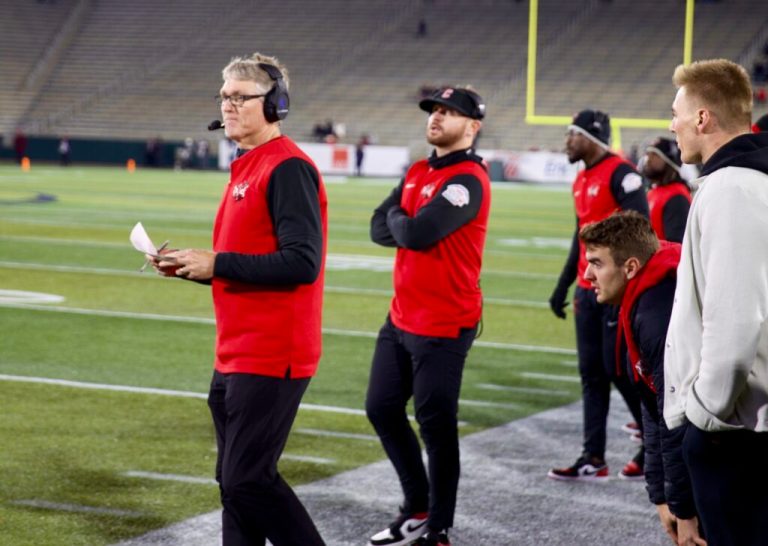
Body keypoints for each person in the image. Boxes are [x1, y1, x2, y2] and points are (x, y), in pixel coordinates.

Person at [151, 52, 327, 546]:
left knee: (247, 479)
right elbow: (245, 261)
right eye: (224, 96)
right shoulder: (247, 167)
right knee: (233, 483)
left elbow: (301, 262)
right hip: (236, 351)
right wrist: (193, 266)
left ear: (275, 106)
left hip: (273, 352)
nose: (228, 105)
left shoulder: (288, 168)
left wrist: (219, 264)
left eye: (240, 97)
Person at [366, 86, 490, 546]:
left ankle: (438, 527)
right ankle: (416, 506)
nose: (436, 118)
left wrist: (402, 217)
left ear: (472, 126)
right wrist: (404, 220)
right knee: (380, 408)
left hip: (443, 323)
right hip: (400, 319)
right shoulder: (419, 169)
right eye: (434, 110)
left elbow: (415, 233)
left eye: (449, 112)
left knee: (436, 426)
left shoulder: (468, 179)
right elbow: (378, 225)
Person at [664, 58, 768, 546]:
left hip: (736, 430)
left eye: (676, 112)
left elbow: (733, 325)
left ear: (702, 119)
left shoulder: (730, 188)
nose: (672, 124)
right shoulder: (742, 181)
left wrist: (703, 418)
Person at [580, 212, 705, 546]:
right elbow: (651, 404)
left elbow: (673, 417)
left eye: (596, 263)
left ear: (630, 267)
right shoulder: (645, 293)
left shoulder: (656, 314)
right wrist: (661, 495)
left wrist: (684, 510)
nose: (587, 274)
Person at [548, 109, 648, 481]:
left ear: (591, 137)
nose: (567, 141)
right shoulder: (582, 178)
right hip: (586, 290)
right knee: (591, 374)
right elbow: (581, 239)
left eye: (572, 134)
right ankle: (593, 457)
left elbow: (641, 228)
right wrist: (563, 287)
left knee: (618, 370)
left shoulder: (622, 173)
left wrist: (624, 282)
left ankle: (652, 441)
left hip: (612, 291)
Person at [641, 137, 691, 243]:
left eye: (655, 154)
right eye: (648, 154)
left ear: (669, 161)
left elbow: (676, 245)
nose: (648, 159)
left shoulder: (677, 197)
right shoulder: (654, 191)